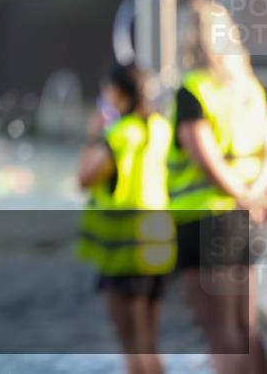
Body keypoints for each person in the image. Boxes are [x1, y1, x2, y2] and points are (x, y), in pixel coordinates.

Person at [166, 0, 267, 374]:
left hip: (205, 219)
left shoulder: (193, 89)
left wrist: (240, 196)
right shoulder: (250, 89)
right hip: (248, 217)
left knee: (219, 329)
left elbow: (205, 158)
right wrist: (254, 196)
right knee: (247, 328)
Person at [76, 64, 175, 374]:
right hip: (159, 240)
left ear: (118, 93)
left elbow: (85, 178)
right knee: (150, 342)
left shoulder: (119, 134)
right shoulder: (162, 127)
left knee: (132, 345)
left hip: (125, 247)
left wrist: (93, 136)